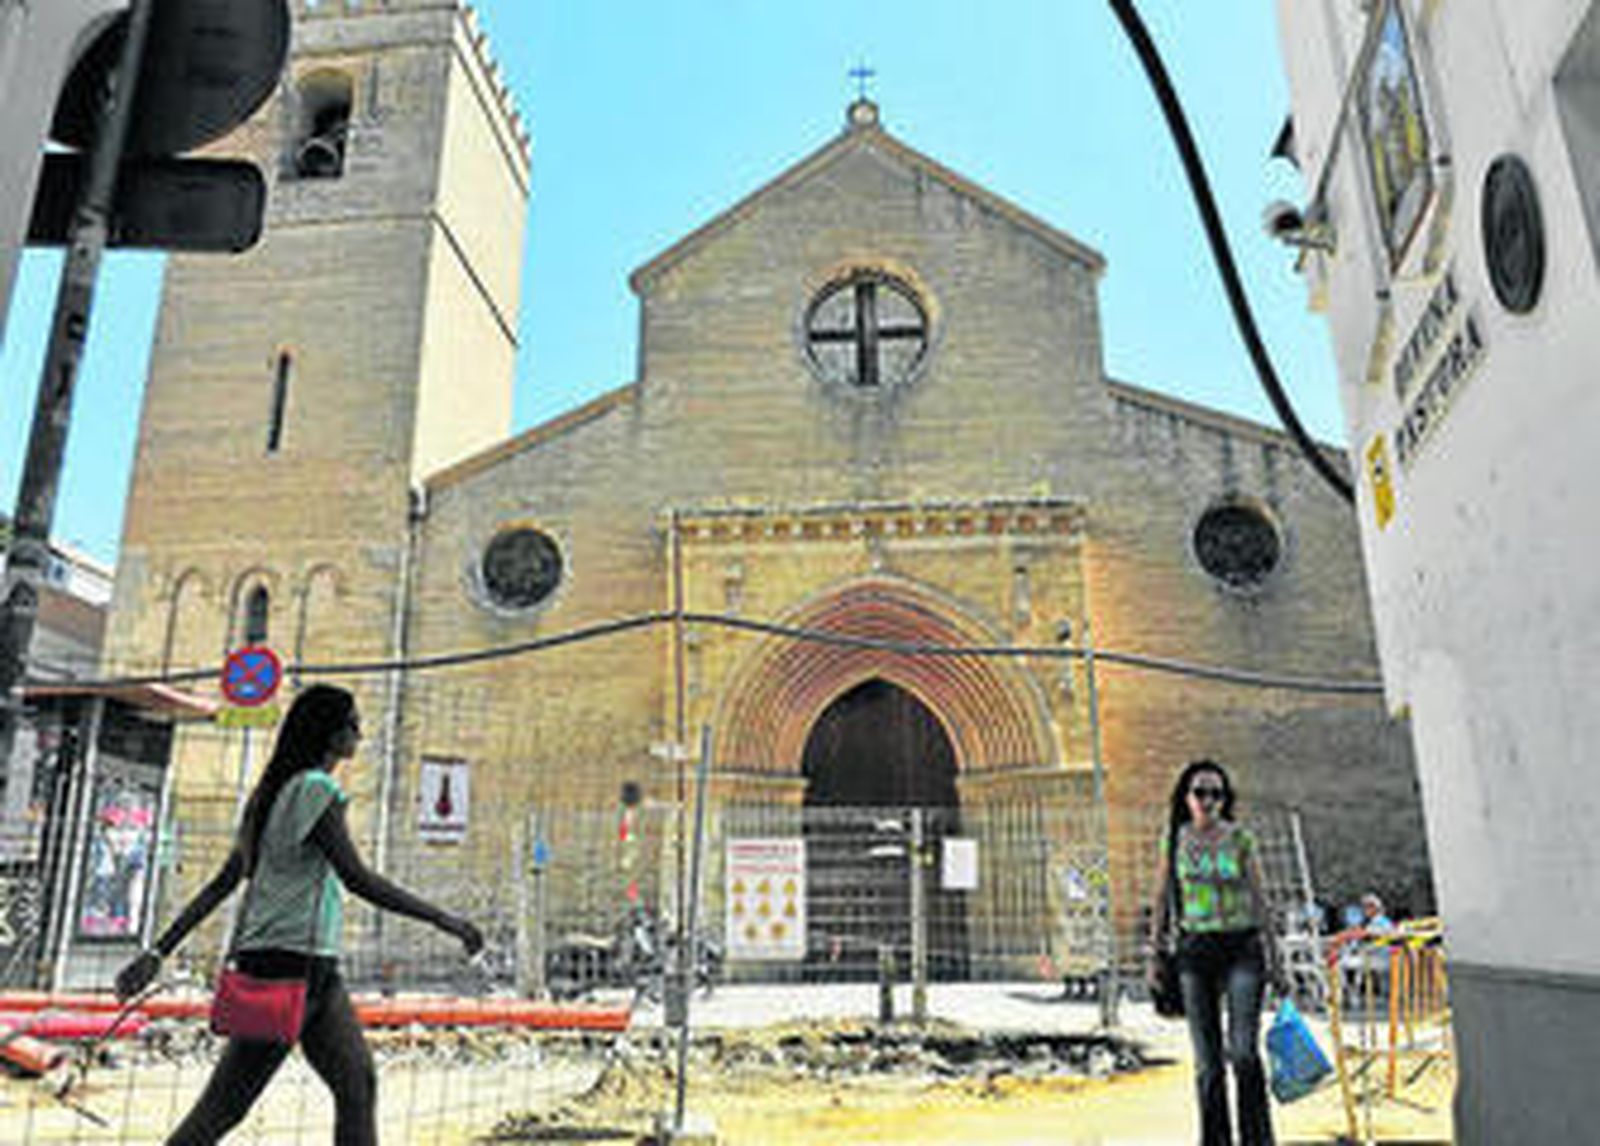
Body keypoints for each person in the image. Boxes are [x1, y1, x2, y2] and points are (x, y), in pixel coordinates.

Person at [114, 685, 483, 1145]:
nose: (360, 734)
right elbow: (357, 879)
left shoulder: (268, 796)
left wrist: (157, 951)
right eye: (352, 724)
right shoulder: (316, 789)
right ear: (328, 733)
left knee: (357, 1086)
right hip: (290, 967)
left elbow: (222, 884)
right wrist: (444, 920)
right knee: (224, 1107)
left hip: (307, 967)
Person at [1147, 759, 1287, 1146]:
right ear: (1186, 798)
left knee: (1243, 1052)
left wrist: (1276, 960)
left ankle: (1257, 1139)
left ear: (1225, 799)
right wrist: (1155, 955)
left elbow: (1261, 900)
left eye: (1216, 793)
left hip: (1242, 946)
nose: (1208, 800)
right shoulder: (1175, 839)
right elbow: (1161, 898)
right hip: (1195, 950)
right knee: (1208, 1063)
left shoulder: (1240, 838)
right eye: (1200, 792)